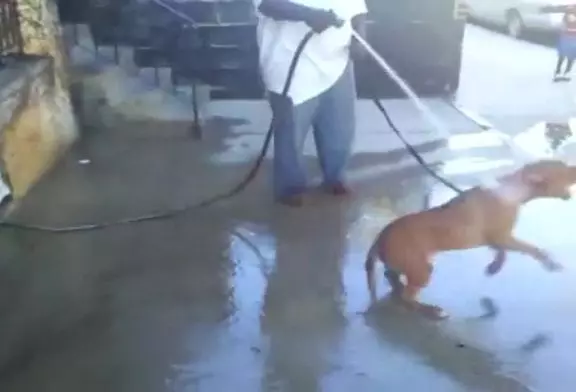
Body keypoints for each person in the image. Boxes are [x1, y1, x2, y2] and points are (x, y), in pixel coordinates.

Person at [253, 0, 368, 206]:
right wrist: (308, 14)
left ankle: (335, 177)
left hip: (337, 62)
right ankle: (290, 187)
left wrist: (360, 39)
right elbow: (267, 4)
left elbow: (358, 11)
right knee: (291, 134)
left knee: (340, 128)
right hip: (291, 65)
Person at [541, 4, 576, 82]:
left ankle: (566, 72)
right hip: (566, 38)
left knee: (571, 56)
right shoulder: (569, 11)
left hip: (573, 39)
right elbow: (563, 25)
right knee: (562, 56)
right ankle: (558, 71)